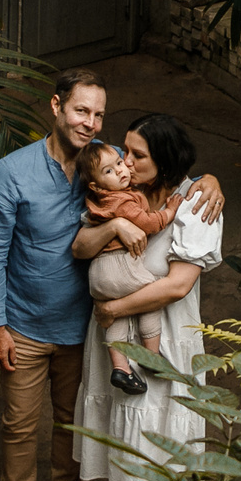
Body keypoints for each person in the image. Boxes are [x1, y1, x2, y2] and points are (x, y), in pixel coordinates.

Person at [0, 70, 223, 481]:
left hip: (81, 325)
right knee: (19, 424)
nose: (89, 123)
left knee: (72, 424)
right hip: (24, 322)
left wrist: (211, 179)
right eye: (80, 110)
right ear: (56, 106)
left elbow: (167, 165)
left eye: (98, 114)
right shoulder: (13, 172)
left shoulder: (111, 160)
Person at [72, 112, 224, 481]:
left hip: (163, 338)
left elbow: (177, 286)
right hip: (118, 342)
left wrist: (114, 309)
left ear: (165, 161)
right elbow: (80, 248)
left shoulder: (197, 203)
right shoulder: (117, 194)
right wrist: (112, 227)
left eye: (138, 156)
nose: (125, 162)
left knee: (163, 443)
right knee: (127, 447)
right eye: (125, 152)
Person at [73, 141, 176, 397]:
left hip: (98, 274)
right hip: (119, 265)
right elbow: (150, 224)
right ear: (95, 185)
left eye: (119, 163)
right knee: (150, 297)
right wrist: (170, 211)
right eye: (109, 171)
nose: (121, 169)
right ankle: (151, 356)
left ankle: (121, 369)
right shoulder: (121, 202)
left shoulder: (102, 200)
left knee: (119, 315)